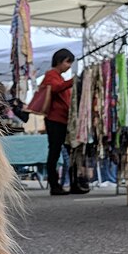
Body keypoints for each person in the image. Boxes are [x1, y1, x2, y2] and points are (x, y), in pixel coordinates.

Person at [36, 48, 76, 195]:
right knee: (54, 151)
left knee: (58, 151)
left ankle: (62, 183)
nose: (69, 65)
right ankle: (54, 184)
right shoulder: (51, 75)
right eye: (68, 62)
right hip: (55, 120)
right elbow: (55, 89)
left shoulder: (58, 77)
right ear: (59, 61)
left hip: (61, 120)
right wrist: (73, 81)